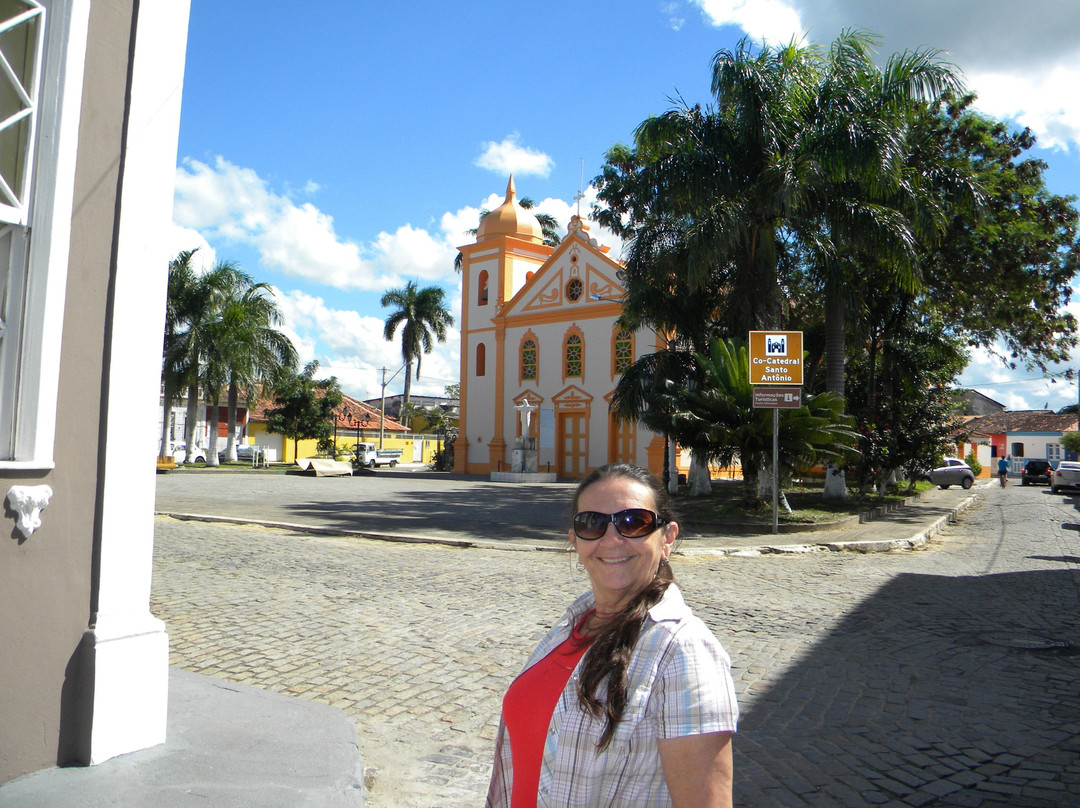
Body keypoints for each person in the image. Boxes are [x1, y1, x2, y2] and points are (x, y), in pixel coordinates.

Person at [485, 463, 739, 808]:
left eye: (634, 522)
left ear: (667, 538)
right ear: (574, 540)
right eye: (592, 523)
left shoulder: (682, 649)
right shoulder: (574, 622)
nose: (612, 539)